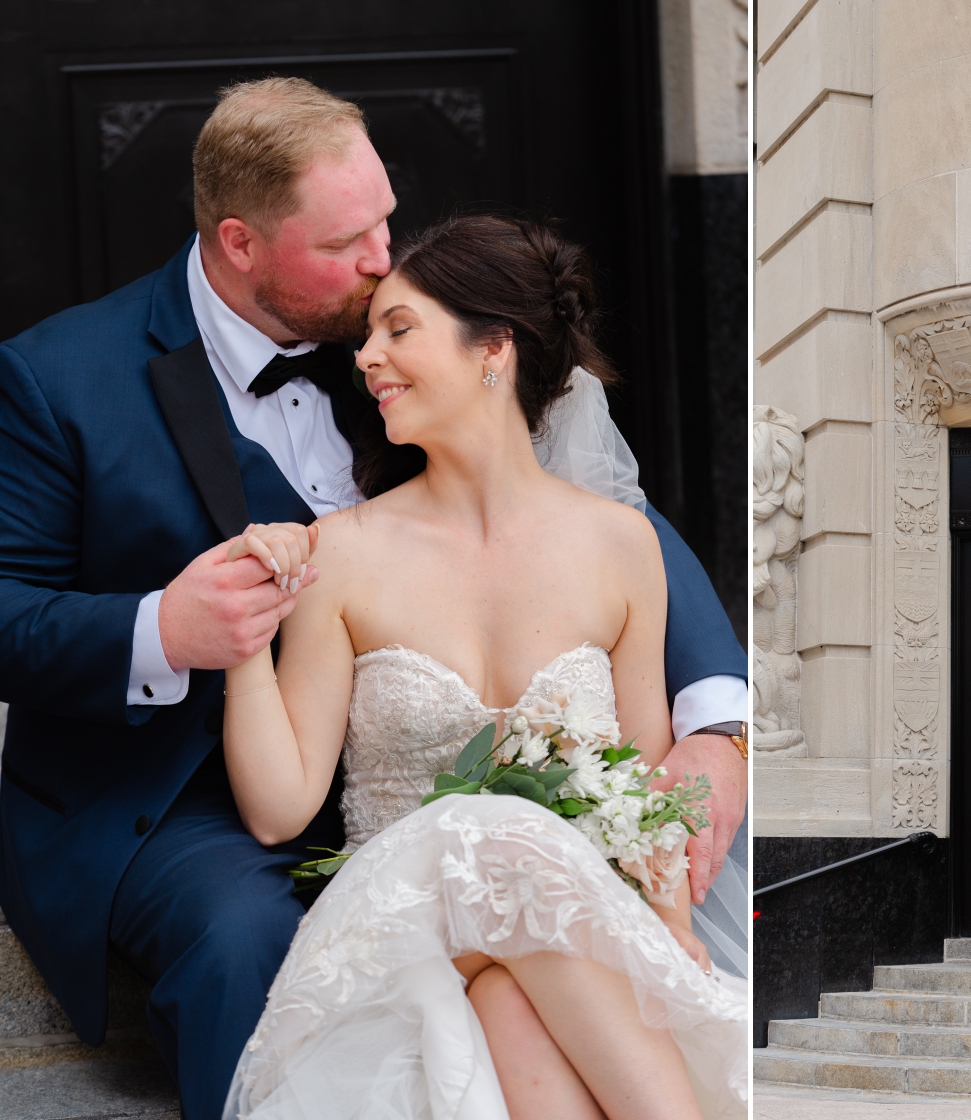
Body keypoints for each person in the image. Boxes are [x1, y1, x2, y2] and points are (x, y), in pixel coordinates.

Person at [0, 77, 747, 1120]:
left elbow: (601, 520)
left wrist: (717, 720)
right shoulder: (57, 378)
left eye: (387, 220)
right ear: (240, 242)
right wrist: (161, 630)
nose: (379, 258)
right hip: (178, 789)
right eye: (348, 239)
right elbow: (6, 608)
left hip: (456, 783)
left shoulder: (399, 336)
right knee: (244, 939)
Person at [216, 214, 744, 1119]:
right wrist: (239, 640)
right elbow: (277, 808)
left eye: (399, 328)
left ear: (493, 348)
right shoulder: (338, 552)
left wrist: (672, 936)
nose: (366, 358)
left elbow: (643, 795)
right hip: (405, 923)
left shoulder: (622, 546)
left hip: (551, 946)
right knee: (495, 835)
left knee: (510, 1001)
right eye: (370, 332)